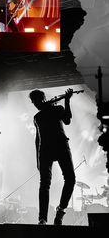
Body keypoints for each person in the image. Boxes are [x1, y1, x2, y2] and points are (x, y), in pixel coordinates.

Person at [29, 88, 75, 225]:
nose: (36, 104)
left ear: (43, 99)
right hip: (45, 150)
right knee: (44, 184)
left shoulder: (57, 109)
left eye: (37, 101)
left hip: (61, 146)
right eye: (33, 102)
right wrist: (38, 159)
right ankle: (42, 218)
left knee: (70, 178)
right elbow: (38, 139)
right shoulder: (37, 117)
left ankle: (60, 211)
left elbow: (67, 120)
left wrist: (67, 101)